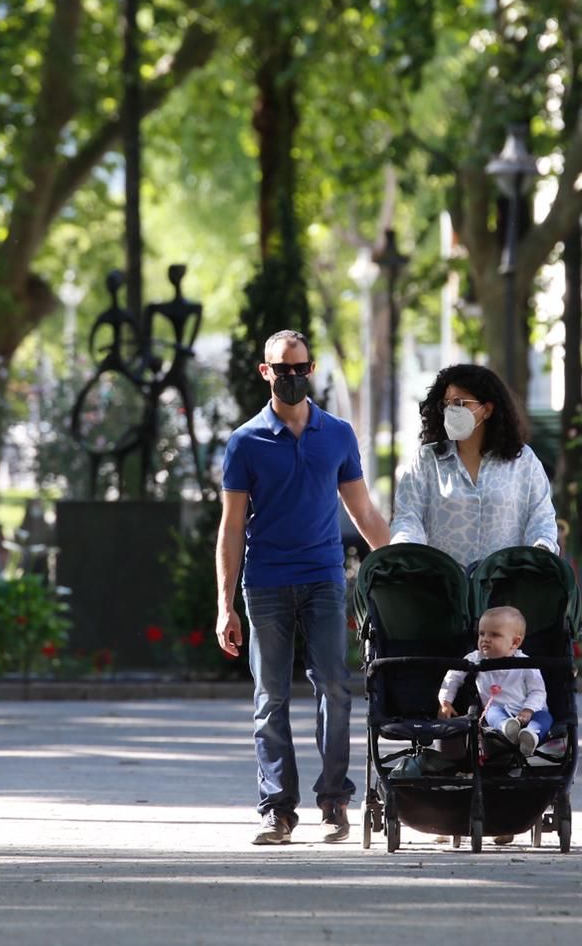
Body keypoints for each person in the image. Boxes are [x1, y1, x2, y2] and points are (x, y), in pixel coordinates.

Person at [216, 329, 391, 845]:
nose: (290, 378)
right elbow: (230, 528)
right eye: (280, 369)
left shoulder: (336, 433)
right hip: (265, 582)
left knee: (335, 689)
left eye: (299, 369)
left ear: (310, 370)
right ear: (264, 372)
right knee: (269, 698)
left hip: (322, 579)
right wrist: (224, 605)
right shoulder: (245, 441)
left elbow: (363, 511)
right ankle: (277, 809)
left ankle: (334, 799)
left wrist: (401, 566)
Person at [390, 363, 559, 570]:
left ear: (487, 410)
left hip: (507, 584)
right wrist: (406, 552)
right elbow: (408, 517)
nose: (452, 410)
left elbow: (541, 518)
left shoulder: (523, 461)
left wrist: (540, 552)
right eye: (447, 403)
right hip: (442, 587)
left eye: (460, 403)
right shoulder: (427, 460)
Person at [438, 605, 552, 757]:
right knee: (492, 712)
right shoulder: (475, 658)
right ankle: (507, 728)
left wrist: (528, 709)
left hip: (530, 712)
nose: (485, 639)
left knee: (544, 717)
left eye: (494, 635)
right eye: (482, 634)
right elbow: (453, 675)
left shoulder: (526, 663)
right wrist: (445, 701)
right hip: (499, 712)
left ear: (515, 642)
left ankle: (531, 735)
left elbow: (537, 691)